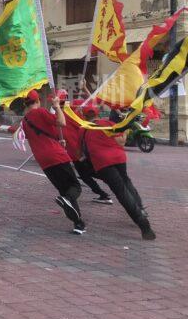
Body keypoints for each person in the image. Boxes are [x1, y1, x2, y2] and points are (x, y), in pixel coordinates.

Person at [82, 104, 155, 240]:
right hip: (118, 158)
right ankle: (141, 209)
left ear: (84, 116)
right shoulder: (107, 123)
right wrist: (125, 127)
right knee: (126, 181)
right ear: (98, 113)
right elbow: (121, 142)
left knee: (121, 192)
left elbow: (79, 151)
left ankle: (143, 224)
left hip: (103, 162)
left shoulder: (84, 129)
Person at [22, 90, 86, 235]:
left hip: (43, 160)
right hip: (56, 156)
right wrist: (57, 106)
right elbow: (62, 122)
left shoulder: (25, 120)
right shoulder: (41, 112)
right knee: (75, 187)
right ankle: (68, 202)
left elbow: (40, 136)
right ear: (38, 100)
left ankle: (78, 224)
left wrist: (58, 141)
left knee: (65, 191)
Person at [59, 92, 113, 204]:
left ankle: (108, 190)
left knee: (88, 174)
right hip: (76, 150)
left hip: (78, 150)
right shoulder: (67, 111)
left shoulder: (73, 111)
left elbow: (91, 105)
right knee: (88, 173)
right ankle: (108, 190)